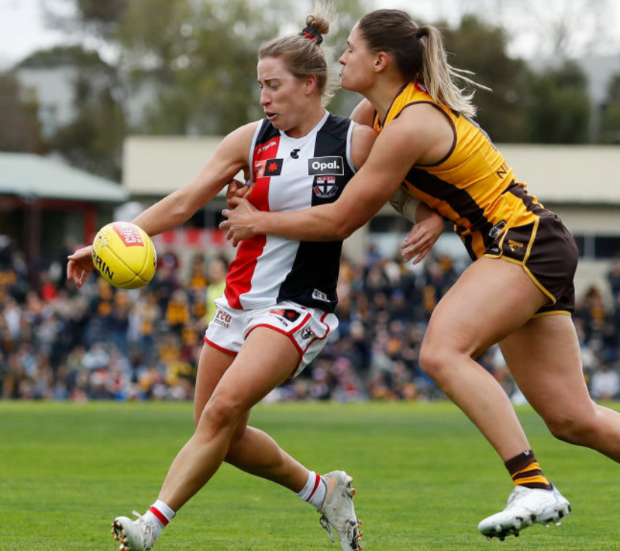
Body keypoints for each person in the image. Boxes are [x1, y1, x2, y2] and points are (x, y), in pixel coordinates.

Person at [221, 9, 620, 550]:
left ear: (380, 61)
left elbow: (339, 219)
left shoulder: (409, 123)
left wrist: (258, 220)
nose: (341, 58)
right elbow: (360, 167)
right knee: (574, 419)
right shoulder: (379, 113)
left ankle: (531, 483)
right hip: (528, 244)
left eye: (351, 49)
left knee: (441, 352)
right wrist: (430, 212)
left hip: (520, 242)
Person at [66, 8, 444, 551]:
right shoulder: (248, 140)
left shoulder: (350, 141)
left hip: (299, 304)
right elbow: (182, 203)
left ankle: (150, 524)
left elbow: (406, 186)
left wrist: (431, 214)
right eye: (260, 86)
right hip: (238, 302)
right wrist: (106, 239)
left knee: (220, 413)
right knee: (219, 433)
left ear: (310, 85)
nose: (264, 97)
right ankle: (324, 491)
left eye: (274, 85)